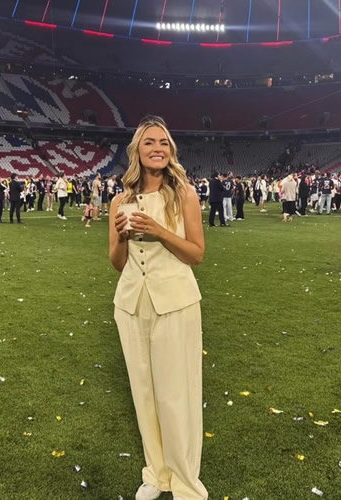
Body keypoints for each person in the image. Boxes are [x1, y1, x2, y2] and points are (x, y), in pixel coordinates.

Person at [109, 115, 207, 500]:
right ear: (137, 150)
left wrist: (159, 231)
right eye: (149, 142)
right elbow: (117, 262)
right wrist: (120, 235)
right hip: (131, 304)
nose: (157, 148)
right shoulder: (120, 200)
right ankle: (156, 474)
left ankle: (185, 484)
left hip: (176, 302)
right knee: (144, 393)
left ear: (171, 151)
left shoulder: (184, 195)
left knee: (176, 395)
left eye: (163, 142)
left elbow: (196, 254)